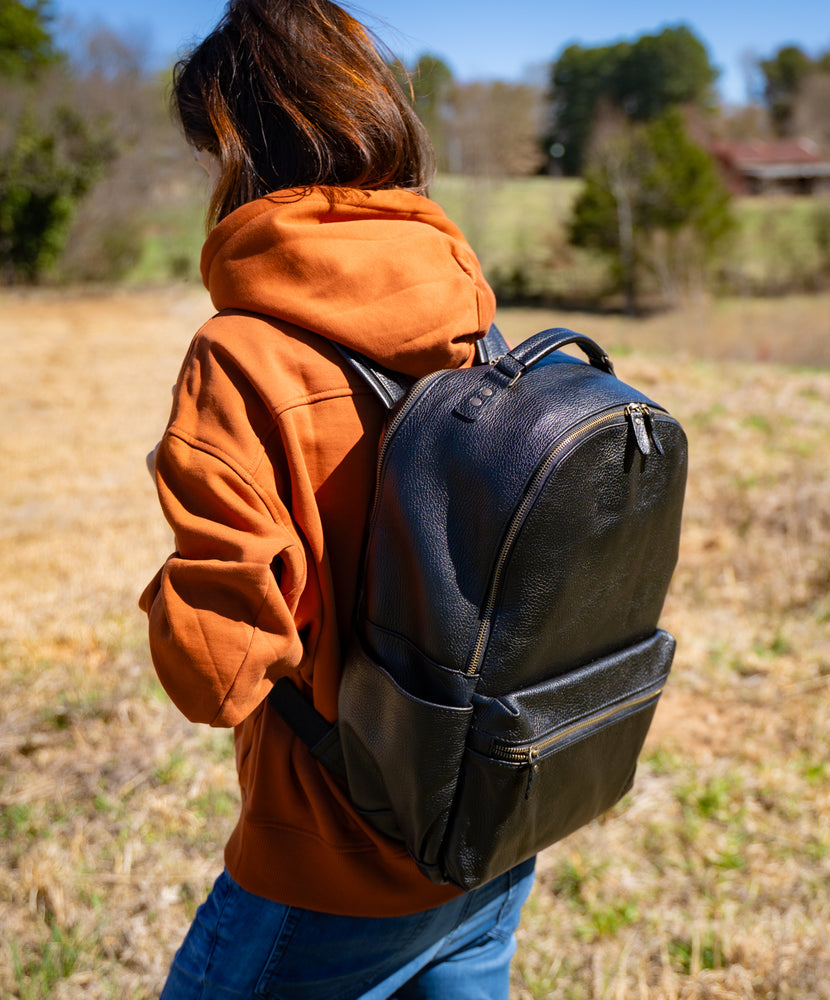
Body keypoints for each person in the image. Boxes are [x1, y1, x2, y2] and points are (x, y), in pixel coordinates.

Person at [139, 1, 535, 997]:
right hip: (487, 829)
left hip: (331, 861)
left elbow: (214, 680)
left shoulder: (240, 356)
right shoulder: (467, 311)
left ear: (236, 150)